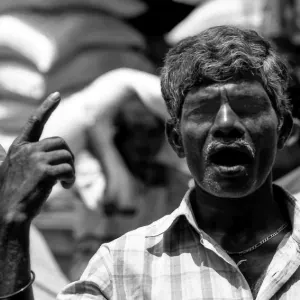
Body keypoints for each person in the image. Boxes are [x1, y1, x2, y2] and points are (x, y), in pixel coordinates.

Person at [0, 25, 299, 299]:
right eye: (204, 110)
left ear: (284, 130)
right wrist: (11, 224)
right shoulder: (120, 269)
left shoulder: (164, 182)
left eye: (247, 107)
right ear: (176, 140)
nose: (225, 123)